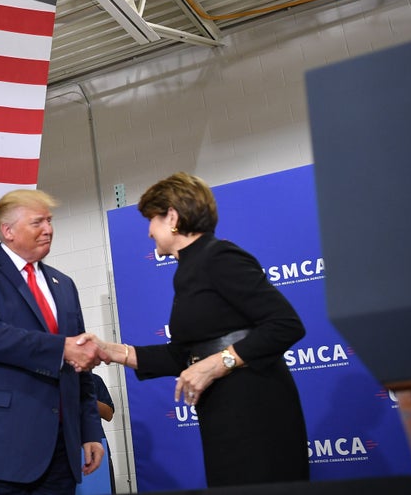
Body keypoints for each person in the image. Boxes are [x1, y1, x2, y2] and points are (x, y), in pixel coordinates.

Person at [90, 172, 309, 487]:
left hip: (256, 409)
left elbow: (286, 325)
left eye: (152, 219)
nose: (149, 232)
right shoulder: (187, 270)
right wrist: (110, 351)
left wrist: (219, 364)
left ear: (173, 218)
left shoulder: (219, 256)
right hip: (223, 411)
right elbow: (184, 355)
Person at [0, 189, 106, 495]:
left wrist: (90, 430)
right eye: (37, 222)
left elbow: (80, 365)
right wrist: (61, 349)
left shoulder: (65, 285)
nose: (48, 229)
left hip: (60, 452)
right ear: (7, 231)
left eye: (50, 220)